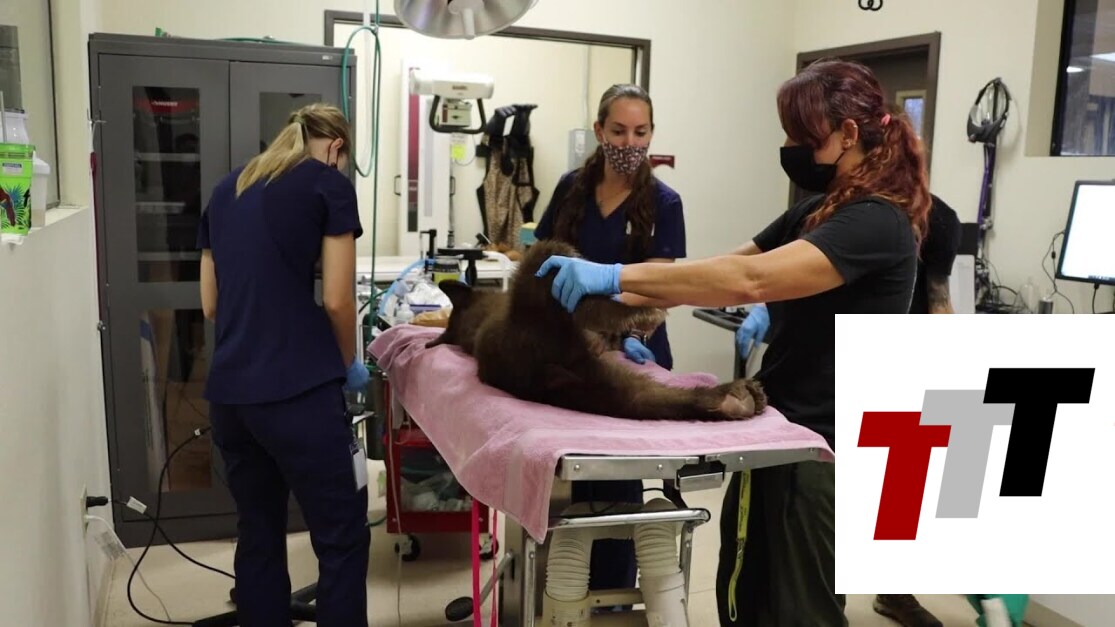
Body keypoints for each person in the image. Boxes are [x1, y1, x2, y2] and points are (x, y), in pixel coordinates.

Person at [536, 59, 932, 626]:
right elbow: (718, 270)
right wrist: (616, 303)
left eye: (800, 135)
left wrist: (613, 274)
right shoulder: (816, 212)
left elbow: (750, 281)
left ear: (848, 133)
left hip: (820, 447)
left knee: (801, 612)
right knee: (747, 600)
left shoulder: (877, 222)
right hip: (778, 432)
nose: (789, 148)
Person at [197, 103, 371, 626]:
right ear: (336, 148)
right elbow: (338, 300)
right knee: (341, 536)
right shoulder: (328, 184)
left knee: (259, 530)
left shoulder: (226, 189)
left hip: (231, 398)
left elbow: (210, 304)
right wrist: (347, 362)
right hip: (298, 394)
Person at [532, 82, 687, 602]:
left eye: (641, 132)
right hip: (574, 349)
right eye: (619, 131)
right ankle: (571, 587)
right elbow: (543, 258)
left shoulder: (663, 203)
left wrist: (624, 330)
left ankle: (614, 594)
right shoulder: (571, 189)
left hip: (634, 349)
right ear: (599, 131)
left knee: (620, 480)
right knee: (579, 477)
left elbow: (661, 286)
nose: (630, 143)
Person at [871, 192, 961, 627]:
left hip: (903, 355)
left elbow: (938, 295)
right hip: (835, 353)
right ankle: (819, 593)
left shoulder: (938, 217)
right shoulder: (845, 210)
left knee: (905, 482)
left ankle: (894, 590)